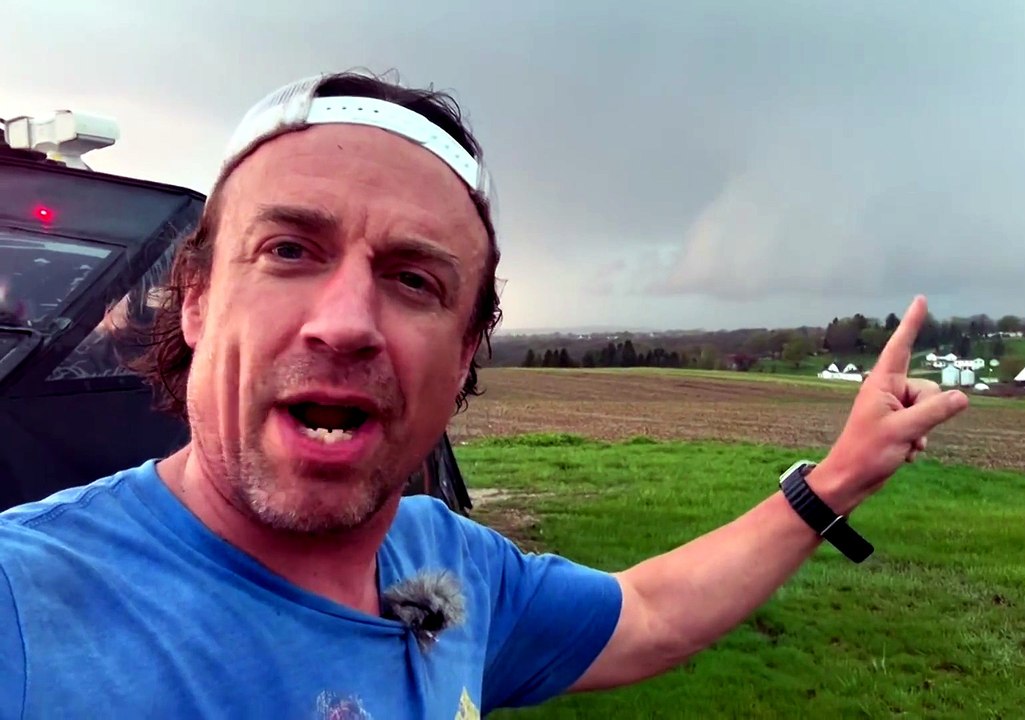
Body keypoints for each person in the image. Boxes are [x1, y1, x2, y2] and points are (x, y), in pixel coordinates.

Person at [0, 71, 968, 718]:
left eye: (415, 280)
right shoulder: (28, 608)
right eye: (290, 250)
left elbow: (651, 613)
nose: (346, 321)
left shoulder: (449, 575)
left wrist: (836, 478)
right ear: (198, 300)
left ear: (464, 354)